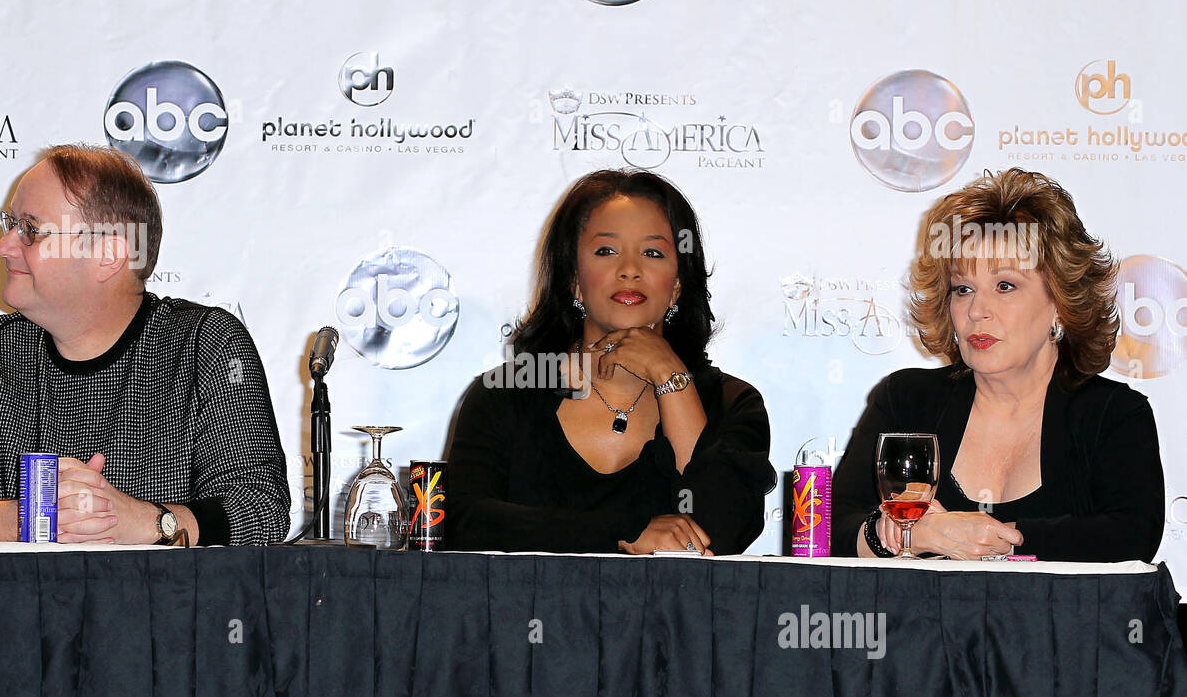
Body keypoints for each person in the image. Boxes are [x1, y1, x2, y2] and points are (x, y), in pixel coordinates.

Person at [0, 144, 290, 545]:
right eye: (9, 223)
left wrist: (146, 522)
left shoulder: (206, 344)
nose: (4, 246)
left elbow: (260, 509)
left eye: (30, 229)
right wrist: (42, 515)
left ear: (108, 255)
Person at [832, 168, 1163, 562]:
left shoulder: (1113, 414)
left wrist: (979, 538)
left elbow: (1130, 539)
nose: (976, 310)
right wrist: (916, 536)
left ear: (1059, 303)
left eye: (1005, 286)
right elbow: (826, 530)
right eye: (963, 289)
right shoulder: (907, 400)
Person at [446, 169, 775, 555]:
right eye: (606, 251)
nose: (629, 269)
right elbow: (464, 524)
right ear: (573, 279)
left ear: (677, 286)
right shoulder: (506, 393)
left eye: (653, 253)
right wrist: (627, 532)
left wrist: (671, 378)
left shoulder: (731, 402)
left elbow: (725, 530)